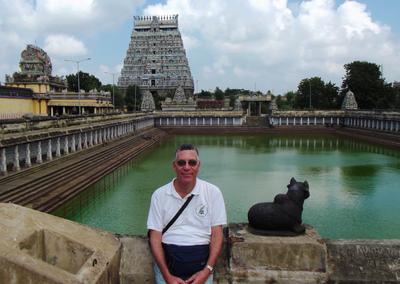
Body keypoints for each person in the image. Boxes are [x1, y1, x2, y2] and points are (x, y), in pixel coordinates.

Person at [147, 144, 227, 284]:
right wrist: (167, 276)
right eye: (181, 162)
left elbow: (217, 234)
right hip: (167, 272)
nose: (186, 167)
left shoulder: (213, 192)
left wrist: (206, 271)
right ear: (174, 166)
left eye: (192, 162)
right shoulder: (159, 195)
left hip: (202, 271)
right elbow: (155, 237)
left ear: (198, 165)